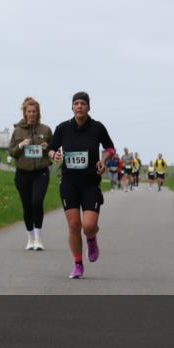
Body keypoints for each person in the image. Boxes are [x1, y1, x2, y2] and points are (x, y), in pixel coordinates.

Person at [49, 92, 115, 280]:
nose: (79, 106)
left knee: (89, 225)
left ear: (88, 107)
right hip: (69, 182)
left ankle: (91, 239)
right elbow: (51, 149)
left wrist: (103, 160)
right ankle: (78, 264)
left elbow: (110, 148)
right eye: (76, 103)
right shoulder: (63, 128)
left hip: (90, 183)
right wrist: (54, 155)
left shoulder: (97, 127)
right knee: (74, 225)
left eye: (83, 103)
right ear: (72, 107)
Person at [7, 97, 52, 250]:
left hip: (41, 173)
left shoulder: (45, 130)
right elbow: (11, 152)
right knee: (27, 206)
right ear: (25, 113)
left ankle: (38, 239)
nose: (32, 114)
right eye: (29, 111)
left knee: (37, 203)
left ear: (38, 113)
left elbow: (53, 151)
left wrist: (47, 148)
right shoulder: (17, 131)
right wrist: (20, 145)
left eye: (34, 111)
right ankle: (30, 238)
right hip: (22, 173)